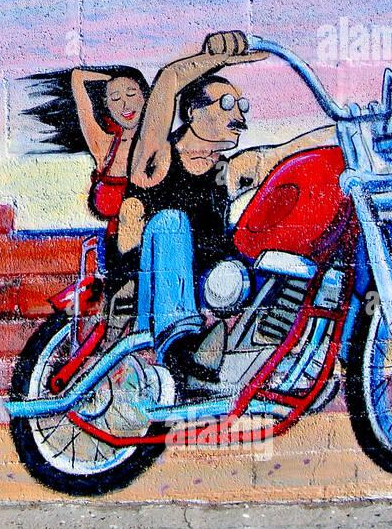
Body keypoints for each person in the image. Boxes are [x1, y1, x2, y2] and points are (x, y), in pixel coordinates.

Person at [123, 31, 336, 390]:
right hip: (149, 281)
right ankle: (181, 349)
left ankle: (285, 359)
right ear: (192, 112)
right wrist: (216, 58)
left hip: (203, 285)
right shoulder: (157, 159)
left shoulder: (230, 169)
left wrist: (356, 129)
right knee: (171, 222)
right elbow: (167, 83)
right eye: (225, 105)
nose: (239, 115)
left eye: (242, 107)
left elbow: (287, 151)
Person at [24, 64, 150, 290]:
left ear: (145, 98)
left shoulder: (158, 148)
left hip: (156, 249)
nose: (124, 104)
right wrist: (113, 78)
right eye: (114, 98)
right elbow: (78, 77)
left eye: (131, 94)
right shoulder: (104, 147)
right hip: (118, 257)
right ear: (106, 107)